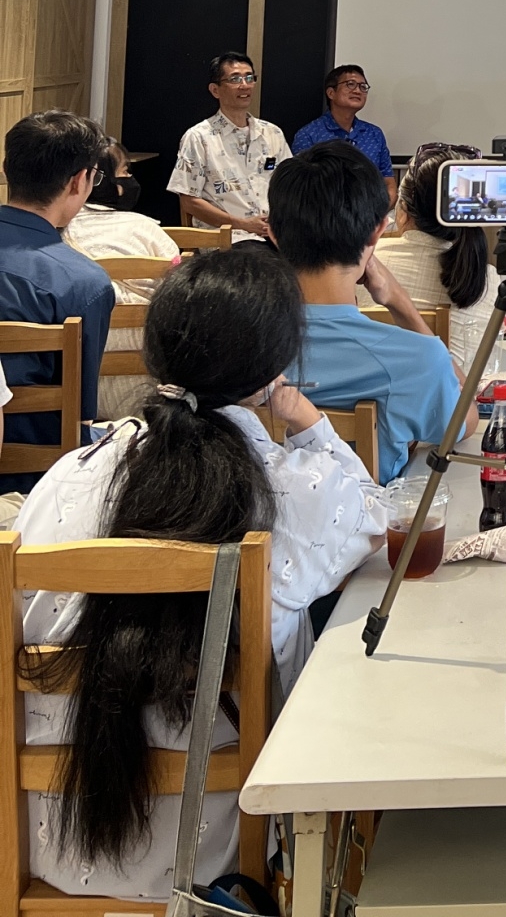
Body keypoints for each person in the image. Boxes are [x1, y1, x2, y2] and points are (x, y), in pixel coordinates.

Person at [18, 242, 384, 903]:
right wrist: (308, 423)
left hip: (54, 841)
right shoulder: (293, 493)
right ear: (272, 369)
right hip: (215, 862)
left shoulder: (68, 475)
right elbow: (373, 515)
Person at [268, 140, 462, 481]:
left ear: (273, 233)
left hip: (256, 514)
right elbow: (464, 421)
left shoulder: (233, 344)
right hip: (371, 513)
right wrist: (400, 303)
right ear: (377, 232)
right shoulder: (416, 358)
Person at [0, 113, 113, 490]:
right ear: (79, 181)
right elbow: (81, 416)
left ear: (7, 169)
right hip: (39, 478)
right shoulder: (85, 282)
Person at [65, 140, 183, 417]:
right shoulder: (146, 229)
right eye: (125, 171)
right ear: (100, 180)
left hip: (75, 386)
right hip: (146, 386)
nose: (130, 179)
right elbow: (177, 298)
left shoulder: (58, 232)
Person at [374, 143, 499, 373]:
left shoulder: (367, 263)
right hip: (456, 394)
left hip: (373, 392)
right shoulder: (487, 278)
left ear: (403, 211)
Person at [168, 51, 290, 239]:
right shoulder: (199, 137)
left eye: (249, 78)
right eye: (235, 79)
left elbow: (290, 185)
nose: (244, 85)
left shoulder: (273, 133)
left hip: (275, 233)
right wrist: (242, 224)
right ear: (215, 90)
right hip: (229, 237)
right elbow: (189, 201)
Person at [292, 65, 396, 203]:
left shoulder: (374, 134)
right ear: (331, 93)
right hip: (325, 212)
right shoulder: (309, 135)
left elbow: (388, 183)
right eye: (350, 84)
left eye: (363, 87)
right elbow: (301, 188)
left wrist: (378, 212)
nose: (358, 91)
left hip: (373, 212)